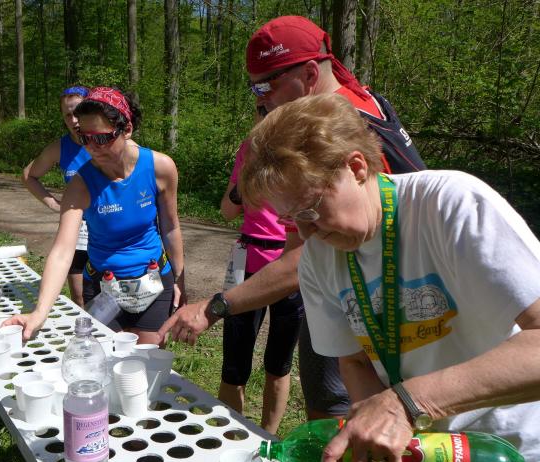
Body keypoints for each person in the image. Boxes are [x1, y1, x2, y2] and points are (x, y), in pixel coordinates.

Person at [242, 92, 540, 462]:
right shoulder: (318, 260)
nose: (306, 233)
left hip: (508, 451)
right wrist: (380, 425)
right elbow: (354, 361)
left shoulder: (451, 204)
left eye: (310, 210)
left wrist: (407, 403)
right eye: (291, 220)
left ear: (356, 167)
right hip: (411, 446)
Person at [158, 15, 425, 423]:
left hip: (378, 300)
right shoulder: (368, 103)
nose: (262, 101)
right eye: (254, 89)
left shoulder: (331, 130)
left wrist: (215, 306)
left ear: (309, 74)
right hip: (371, 292)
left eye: (265, 86)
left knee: (335, 410)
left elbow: (305, 256)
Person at [5, 87, 185, 344]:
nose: (92, 148)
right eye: (84, 138)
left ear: (126, 129)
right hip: (104, 286)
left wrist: (180, 280)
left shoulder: (160, 167)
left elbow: (170, 228)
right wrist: (40, 312)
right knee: (106, 359)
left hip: (154, 277)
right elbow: (62, 251)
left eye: (101, 138)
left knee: (147, 360)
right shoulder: (80, 185)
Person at [218, 122, 303, 436]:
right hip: (247, 265)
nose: (266, 114)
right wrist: (244, 179)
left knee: (279, 364)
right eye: (261, 108)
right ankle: (232, 438)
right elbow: (227, 211)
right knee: (234, 364)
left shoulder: (302, 149)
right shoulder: (248, 148)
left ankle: (267, 439)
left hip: (290, 266)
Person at [21, 86, 92, 307]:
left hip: (109, 228)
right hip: (78, 230)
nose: (74, 120)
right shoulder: (60, 148)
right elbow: (29, 175)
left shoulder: (108, 142)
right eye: (68, 115)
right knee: (80, 296)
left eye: (78, 112)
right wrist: (54, 204)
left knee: (111, 293)